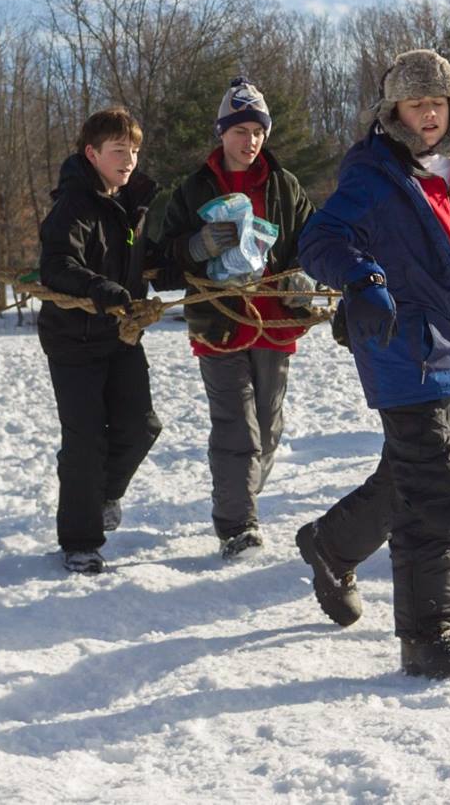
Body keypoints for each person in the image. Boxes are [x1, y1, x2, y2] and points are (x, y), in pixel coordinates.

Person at [294, 48, 450, 680]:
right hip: (404, 344)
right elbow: (320, 240)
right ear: (393, 112)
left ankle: (331, 544)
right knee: (431, 490)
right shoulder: (374, 173)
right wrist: (362, 279)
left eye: (437, 104)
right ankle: (426, 634)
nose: (427, 116)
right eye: (415, 105)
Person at [151, 78, 315, 560]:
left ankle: (241, 492)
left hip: (275, 325)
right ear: (222, 133)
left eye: (258, 131)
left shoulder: (284, 186)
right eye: (241, 130)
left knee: (266, 427)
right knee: (234, 427)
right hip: (219, 325)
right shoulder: (192, 190)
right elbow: (159, 262)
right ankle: (237, 524)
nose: (251, 141)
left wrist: (305, 273)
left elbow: (311, 241)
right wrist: (195, 248)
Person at [35, 107, 164, 574]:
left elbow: (142, 258)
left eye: (133, 151)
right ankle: (80, 538)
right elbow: (57, 265)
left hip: (122, 335)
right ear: (91, 154)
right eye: (117, 152)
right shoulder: (73, 205)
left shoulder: (133, 201)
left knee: (142, 425)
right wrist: (97, 287)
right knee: (85, 439)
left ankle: (103, 493)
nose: (128, 160)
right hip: (74, 340)